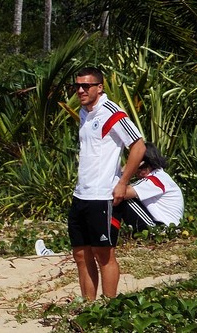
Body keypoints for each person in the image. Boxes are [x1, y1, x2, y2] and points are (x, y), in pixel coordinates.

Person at [69, 67, 146, 301]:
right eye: (77, 86)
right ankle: (89, 308)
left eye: (86, 86)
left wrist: (123, 182)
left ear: (99, 88)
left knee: (104, 254)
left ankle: (108, 307)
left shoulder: (112, 112)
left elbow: (138, 146)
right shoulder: (84, 112)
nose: (80, 90)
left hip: (103, 195)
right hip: (81, 194)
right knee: (81, 255)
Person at [117, 142, 184, 232]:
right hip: (167, 228)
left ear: (144, 165)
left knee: (120, 196)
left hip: (161, 229)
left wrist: (123, 172)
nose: (135, 172)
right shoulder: (160, 176)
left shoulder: (155, 180)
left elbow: (120, 193)